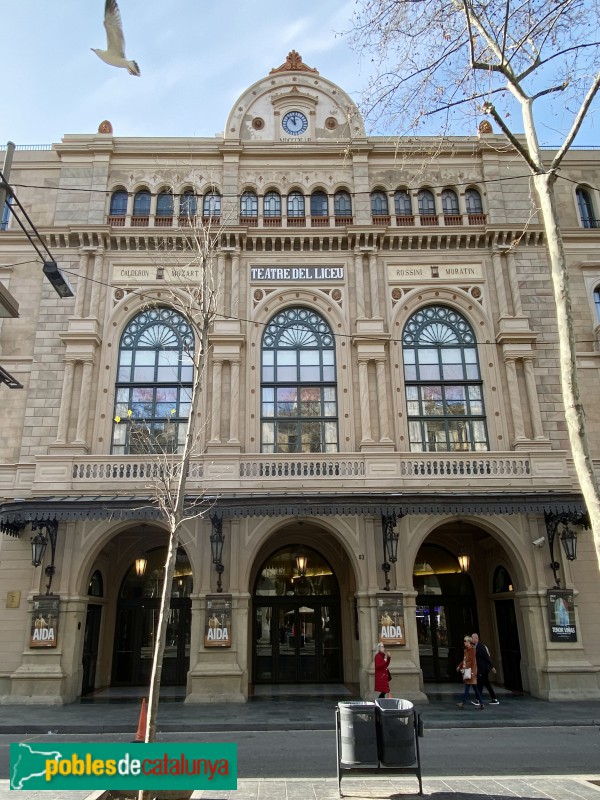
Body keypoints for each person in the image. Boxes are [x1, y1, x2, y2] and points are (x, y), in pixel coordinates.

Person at [471, 632, 499, 705]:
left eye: (472, 638)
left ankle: (478, 700)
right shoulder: (476, 646)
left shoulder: (480, 647)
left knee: (480, 684)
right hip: (482, 669)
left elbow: (486, 657)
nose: (471, 639)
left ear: (476, 639)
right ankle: (494, 699)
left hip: (483, 669)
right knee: (487, 684)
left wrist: (491, 666)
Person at [456, 635, 484, 709]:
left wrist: (470, 671)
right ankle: (481, 703)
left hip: (470, 672)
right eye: (464, 641)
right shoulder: (466, 650)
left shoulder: (472, 650)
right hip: (469, 671)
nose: (464, 642)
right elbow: (464, 660)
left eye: (465, 641)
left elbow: (472, 662)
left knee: (467, 688)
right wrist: (460, 666)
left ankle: (463, 703)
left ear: (469, 642)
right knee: (475, 689)